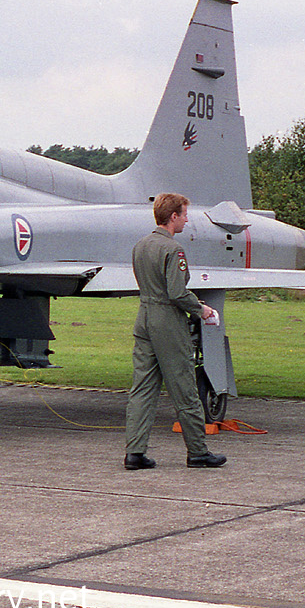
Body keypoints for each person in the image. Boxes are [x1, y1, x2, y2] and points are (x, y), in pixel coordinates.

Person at [125, 192, 227, 470]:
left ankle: (134, 452)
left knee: (142, 389)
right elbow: (177, 292)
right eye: (184, 214)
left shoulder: (141, 245)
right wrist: (201, 309)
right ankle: (197, 452)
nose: (186, 219)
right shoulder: (173, 249)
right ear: (173, 217)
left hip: (144, 317)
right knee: (185, 388)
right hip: (167, 322)